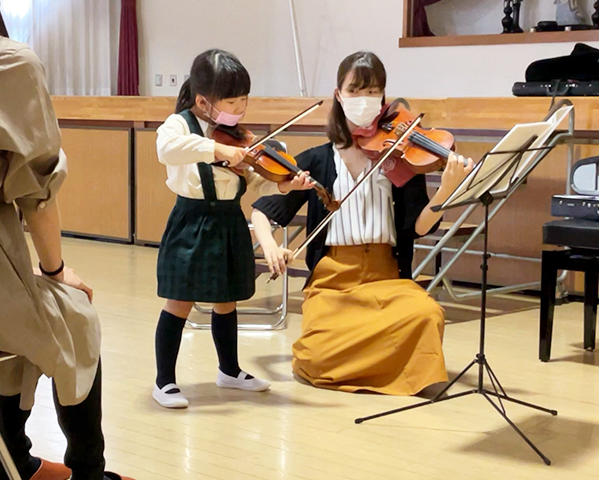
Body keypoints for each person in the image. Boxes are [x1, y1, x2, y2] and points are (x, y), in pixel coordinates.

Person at [251, 51, 474, 396]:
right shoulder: (317, 160)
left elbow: (419, 227)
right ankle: (385, 365)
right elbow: (263, 210)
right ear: (339, 95)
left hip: (386, 276)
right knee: (317, 354)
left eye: (373, 92)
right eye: (355, 90)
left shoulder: (399, 159)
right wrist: (269, 245)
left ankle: (384, 367)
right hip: (333, 281)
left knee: (426, 314)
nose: (365, 100)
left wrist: (445, 190)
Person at [0, 19, 133, 480]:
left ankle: (16, 452)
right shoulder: (11, 62)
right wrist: (56, 271)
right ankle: (87, 470)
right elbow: (37, 194)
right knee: (76, 317)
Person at [153, 49, 313, 409]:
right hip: (192, 220)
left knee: (227, 300)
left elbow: (257, 182)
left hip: (228, 220)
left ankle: (229, 370)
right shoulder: (180, 125)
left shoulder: (239, 136)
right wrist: (219, 150)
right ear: (203, 101)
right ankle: (164, 381)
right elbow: (167, 149)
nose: (239, 109)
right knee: (180, 299)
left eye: (243, 100)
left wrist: (288, 184)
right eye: (232, 101)